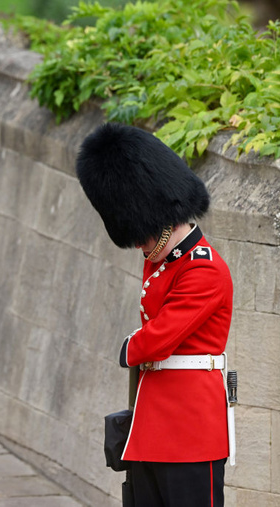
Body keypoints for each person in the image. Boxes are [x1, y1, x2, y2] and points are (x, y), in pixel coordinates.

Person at [76, 123, 234, 506]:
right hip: (152, 424)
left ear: (158, 221)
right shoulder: (161, 261)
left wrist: (130, 346)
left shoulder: (205, 268)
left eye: (141, 237)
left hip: (191, 428)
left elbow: (159, 338)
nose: (139, 248)